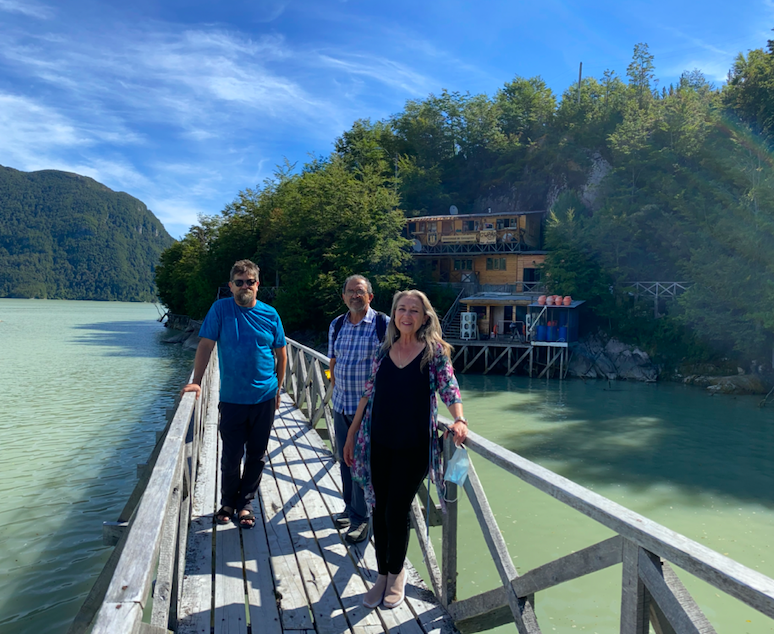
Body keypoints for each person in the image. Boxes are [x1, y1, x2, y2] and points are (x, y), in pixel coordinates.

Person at [343, 290, 468, 610]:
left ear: (425, 316)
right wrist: (352, 434)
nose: (406, 315)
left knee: (395, 511)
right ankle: (382, 575)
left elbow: (449, 387)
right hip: (377, 442)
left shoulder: (434, 351)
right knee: (378, 510)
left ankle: (396, 575)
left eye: (414, 310)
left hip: (414, 447)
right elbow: (367, 395)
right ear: (394, 315)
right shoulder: (383, 350)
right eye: (401, 309)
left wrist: (459, 419)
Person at [182, 259, 287, 530]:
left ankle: (246, 503)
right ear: (230, 286)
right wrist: (197, 382)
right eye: (239, 282)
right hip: (231, 398)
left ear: (257, 284)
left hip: (265, 396)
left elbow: (281, 352)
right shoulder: (220, 309)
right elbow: (205, 346)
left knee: (257, 454)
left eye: (249, 282)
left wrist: (279, 386)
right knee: (230, 455)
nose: (245, 286)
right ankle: (228, 501)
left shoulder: (270, 314)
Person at [328, 275, 388, 544]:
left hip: (370, 412)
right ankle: (350, 508)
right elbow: (333, 360)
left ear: (370, 297)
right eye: (350, 291)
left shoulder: (382, 324)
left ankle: (362, 519)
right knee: (345, 461)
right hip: (341, 405)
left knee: (363, 466)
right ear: (343, 297)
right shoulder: (337, 324)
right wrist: (334, 385)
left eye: (360, 291)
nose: (355, 295)